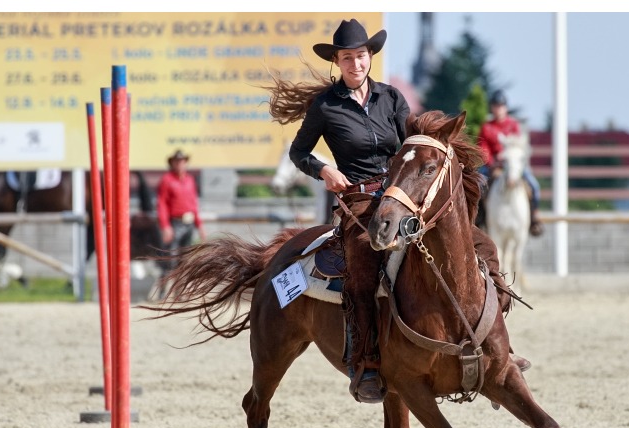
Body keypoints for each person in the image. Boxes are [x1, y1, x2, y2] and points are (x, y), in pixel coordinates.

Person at [267, 19, 530, 404]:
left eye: (361, 56)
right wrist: (324, 170)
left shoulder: (391, 98)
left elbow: (413, 143)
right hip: (358, 202)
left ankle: (497, 349)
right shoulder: (325, 106)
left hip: (403, 195)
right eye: (347, 58)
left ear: (369, 57)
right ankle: (367, 362)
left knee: (483, 247)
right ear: (337, 62)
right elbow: (298, 152)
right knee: (361, 269)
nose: (355, 64)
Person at [478, 90, 544, 237]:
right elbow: (483, 148)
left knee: (534, 186)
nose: (499, 109)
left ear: (505, 107)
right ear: (492, 108)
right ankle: (478, 218)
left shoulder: (513, 125)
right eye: (496, 106)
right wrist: (493, 162)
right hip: (493, 165)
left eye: (501, 106)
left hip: (513, 164)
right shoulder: (486, 127)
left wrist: (510, 160)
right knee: (477, 185)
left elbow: (518, 146)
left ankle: (534, 218)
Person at [156, 150, 207, 286]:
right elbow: (162, 204)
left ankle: (179, 291)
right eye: (177, 161)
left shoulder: (189, 180)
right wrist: (165, 226)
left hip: (189, 223)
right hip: (175, 223)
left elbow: (194, 204)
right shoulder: (167, 180)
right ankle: (162, 290)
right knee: (170, 258)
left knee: (185, 259)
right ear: (172, 163)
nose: (180, 164)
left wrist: (199, 225)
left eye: (182, 161)